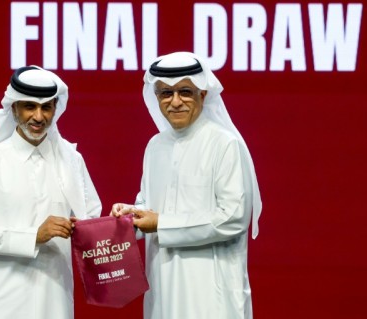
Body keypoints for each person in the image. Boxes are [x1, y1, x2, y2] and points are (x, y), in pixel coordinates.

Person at [111, 52, 262, 319]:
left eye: (185, 92)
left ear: (203, 94)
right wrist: (130, 215)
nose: (175, 102)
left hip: (211, 292)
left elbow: (233, 218)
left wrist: (160, 222)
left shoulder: (224, 144)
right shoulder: (155, 146)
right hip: (162, 285)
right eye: (165, 94)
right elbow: (150, 205)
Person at [0, 66, 102, 319]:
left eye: (46, 107)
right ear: (14, 109)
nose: (38, 116)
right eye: (29, 107)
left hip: (53, 296)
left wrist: (118, 223)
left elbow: (90, 218)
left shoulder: (71, 160)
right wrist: (35, 235)